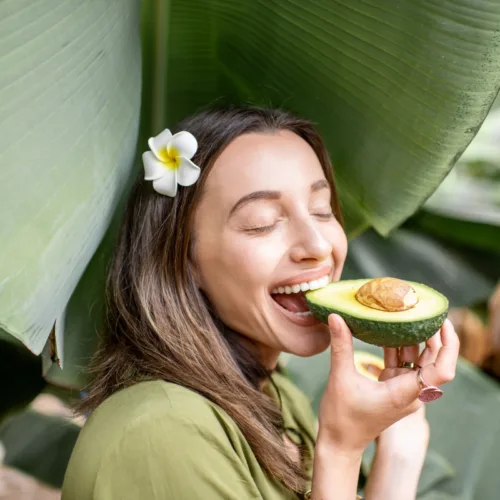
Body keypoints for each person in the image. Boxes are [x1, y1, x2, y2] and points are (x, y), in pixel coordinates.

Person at [62, 106, 459, 500]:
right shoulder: (158, 433)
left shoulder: (281, 399)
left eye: (322, 210)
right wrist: (341, 448)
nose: (318, 246)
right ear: (183, 259)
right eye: (262, 222)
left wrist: (400, 451)